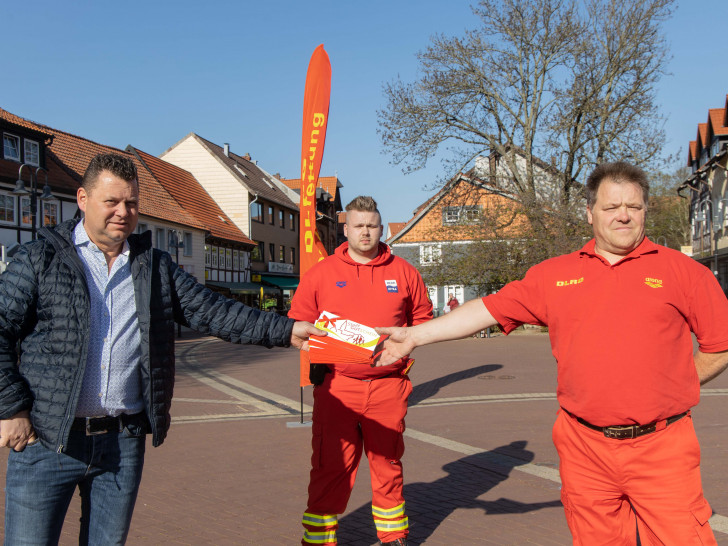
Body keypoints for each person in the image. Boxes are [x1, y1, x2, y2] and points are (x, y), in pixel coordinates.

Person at [375, 162, 728, 545]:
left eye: (634, 206)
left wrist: (673, 386)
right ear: (590, 213)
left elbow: (721, 345)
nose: (623, 215)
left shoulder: (685, 272)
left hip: (662, 448)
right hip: (584, 447)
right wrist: (414, 337)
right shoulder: (556, 275)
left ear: (645, 211)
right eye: (611, 207)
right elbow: (487, 310)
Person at [0, 153, 323, 545]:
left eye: (132, 203)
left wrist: (287, 330)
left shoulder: (153, 266)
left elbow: (214, 311)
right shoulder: (41, 258)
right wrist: (11, 408)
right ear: (83, 199)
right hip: (49, 439)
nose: (123, 212)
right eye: (112, 202)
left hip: (120, 442)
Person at [288, 196, 432, 546]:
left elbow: (424, 323)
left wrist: (406, 351)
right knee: (329, 467)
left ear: (381, 228)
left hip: (388, 388)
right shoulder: (321, 274)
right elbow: (296, 326)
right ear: (346, 229)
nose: (366, 232)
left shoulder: (404, 272)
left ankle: (393, 537)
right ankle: (319, 540)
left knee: (388, 465)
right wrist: (309, 346)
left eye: (372, 226)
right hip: (337, 388)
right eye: (359, 226)